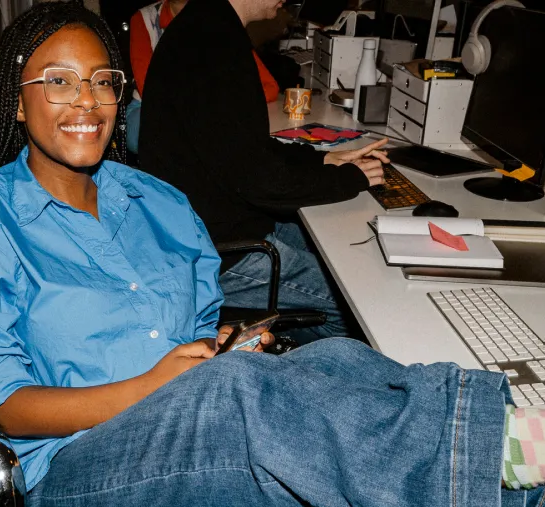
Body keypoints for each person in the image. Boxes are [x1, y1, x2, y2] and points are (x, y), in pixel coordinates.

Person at [0, 4, 545, 507]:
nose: (87, 100)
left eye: (102, 79)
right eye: (59, 81)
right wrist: (150, 388)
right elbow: (4, 408)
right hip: (66, 480)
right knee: (240, 398)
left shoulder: (158, 202)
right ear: (17, 100)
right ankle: (516, 446)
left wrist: (219, 347)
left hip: (179, 423)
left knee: (330, 361)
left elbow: (193, 335)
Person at [138, 0, 390, 343]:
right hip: (218, 251)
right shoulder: (213, 43)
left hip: (219, 225)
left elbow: (243, 148)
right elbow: (259, 181)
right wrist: (351, 179)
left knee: (350, 257)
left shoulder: (207, 27)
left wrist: (322, 160)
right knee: (357, 307)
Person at [126, 0, 280, 154]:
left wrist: (226, 104)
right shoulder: (145, 18)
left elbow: (269, 86)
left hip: (206, 111)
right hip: (146, 109)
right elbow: (150, 90)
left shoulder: (217, 20)